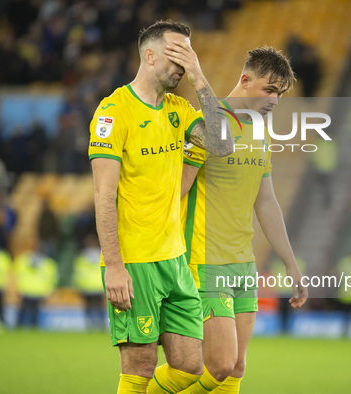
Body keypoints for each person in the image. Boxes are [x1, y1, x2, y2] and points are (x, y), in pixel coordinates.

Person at [88, 20, 233, 393]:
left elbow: (223, 145)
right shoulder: (113, 111)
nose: (184, 65)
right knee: (140, 366)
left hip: (175, 260)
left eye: (189, 56)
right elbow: (104, 195)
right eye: (177, 55)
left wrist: (201, 79)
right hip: (134, 262)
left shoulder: (180, 109)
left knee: (187, 367)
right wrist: (114, 266)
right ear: (149, 56)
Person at [179, 47, 308, 393]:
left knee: (235, 367)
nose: (275, 100)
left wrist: (291, 264)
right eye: (270, 90)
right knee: (218, 364)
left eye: (280, 94)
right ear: (245, 80)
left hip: (243, 262)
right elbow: (178, 189)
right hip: (205, 258)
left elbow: (266, 203)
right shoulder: (207, 120)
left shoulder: (259, 131)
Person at [14, 246, 58, 329]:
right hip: (38, 291)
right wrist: (49, 291)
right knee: (35, 311)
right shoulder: (48, 263)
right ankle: (33, 327)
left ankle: (19, 327)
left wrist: (18, 287)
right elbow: (52, 279)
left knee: (24, 310)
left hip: (26, 290)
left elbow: (17, 273)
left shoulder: (23, 260)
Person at [73, 234, 105, 330]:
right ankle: (100, 325)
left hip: (87, 286)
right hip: (98, 285)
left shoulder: (82, 257)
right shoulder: (102, 255)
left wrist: (78, 285)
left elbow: (79, 272)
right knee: (99, 307)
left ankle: (89, 325)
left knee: (89, 307)